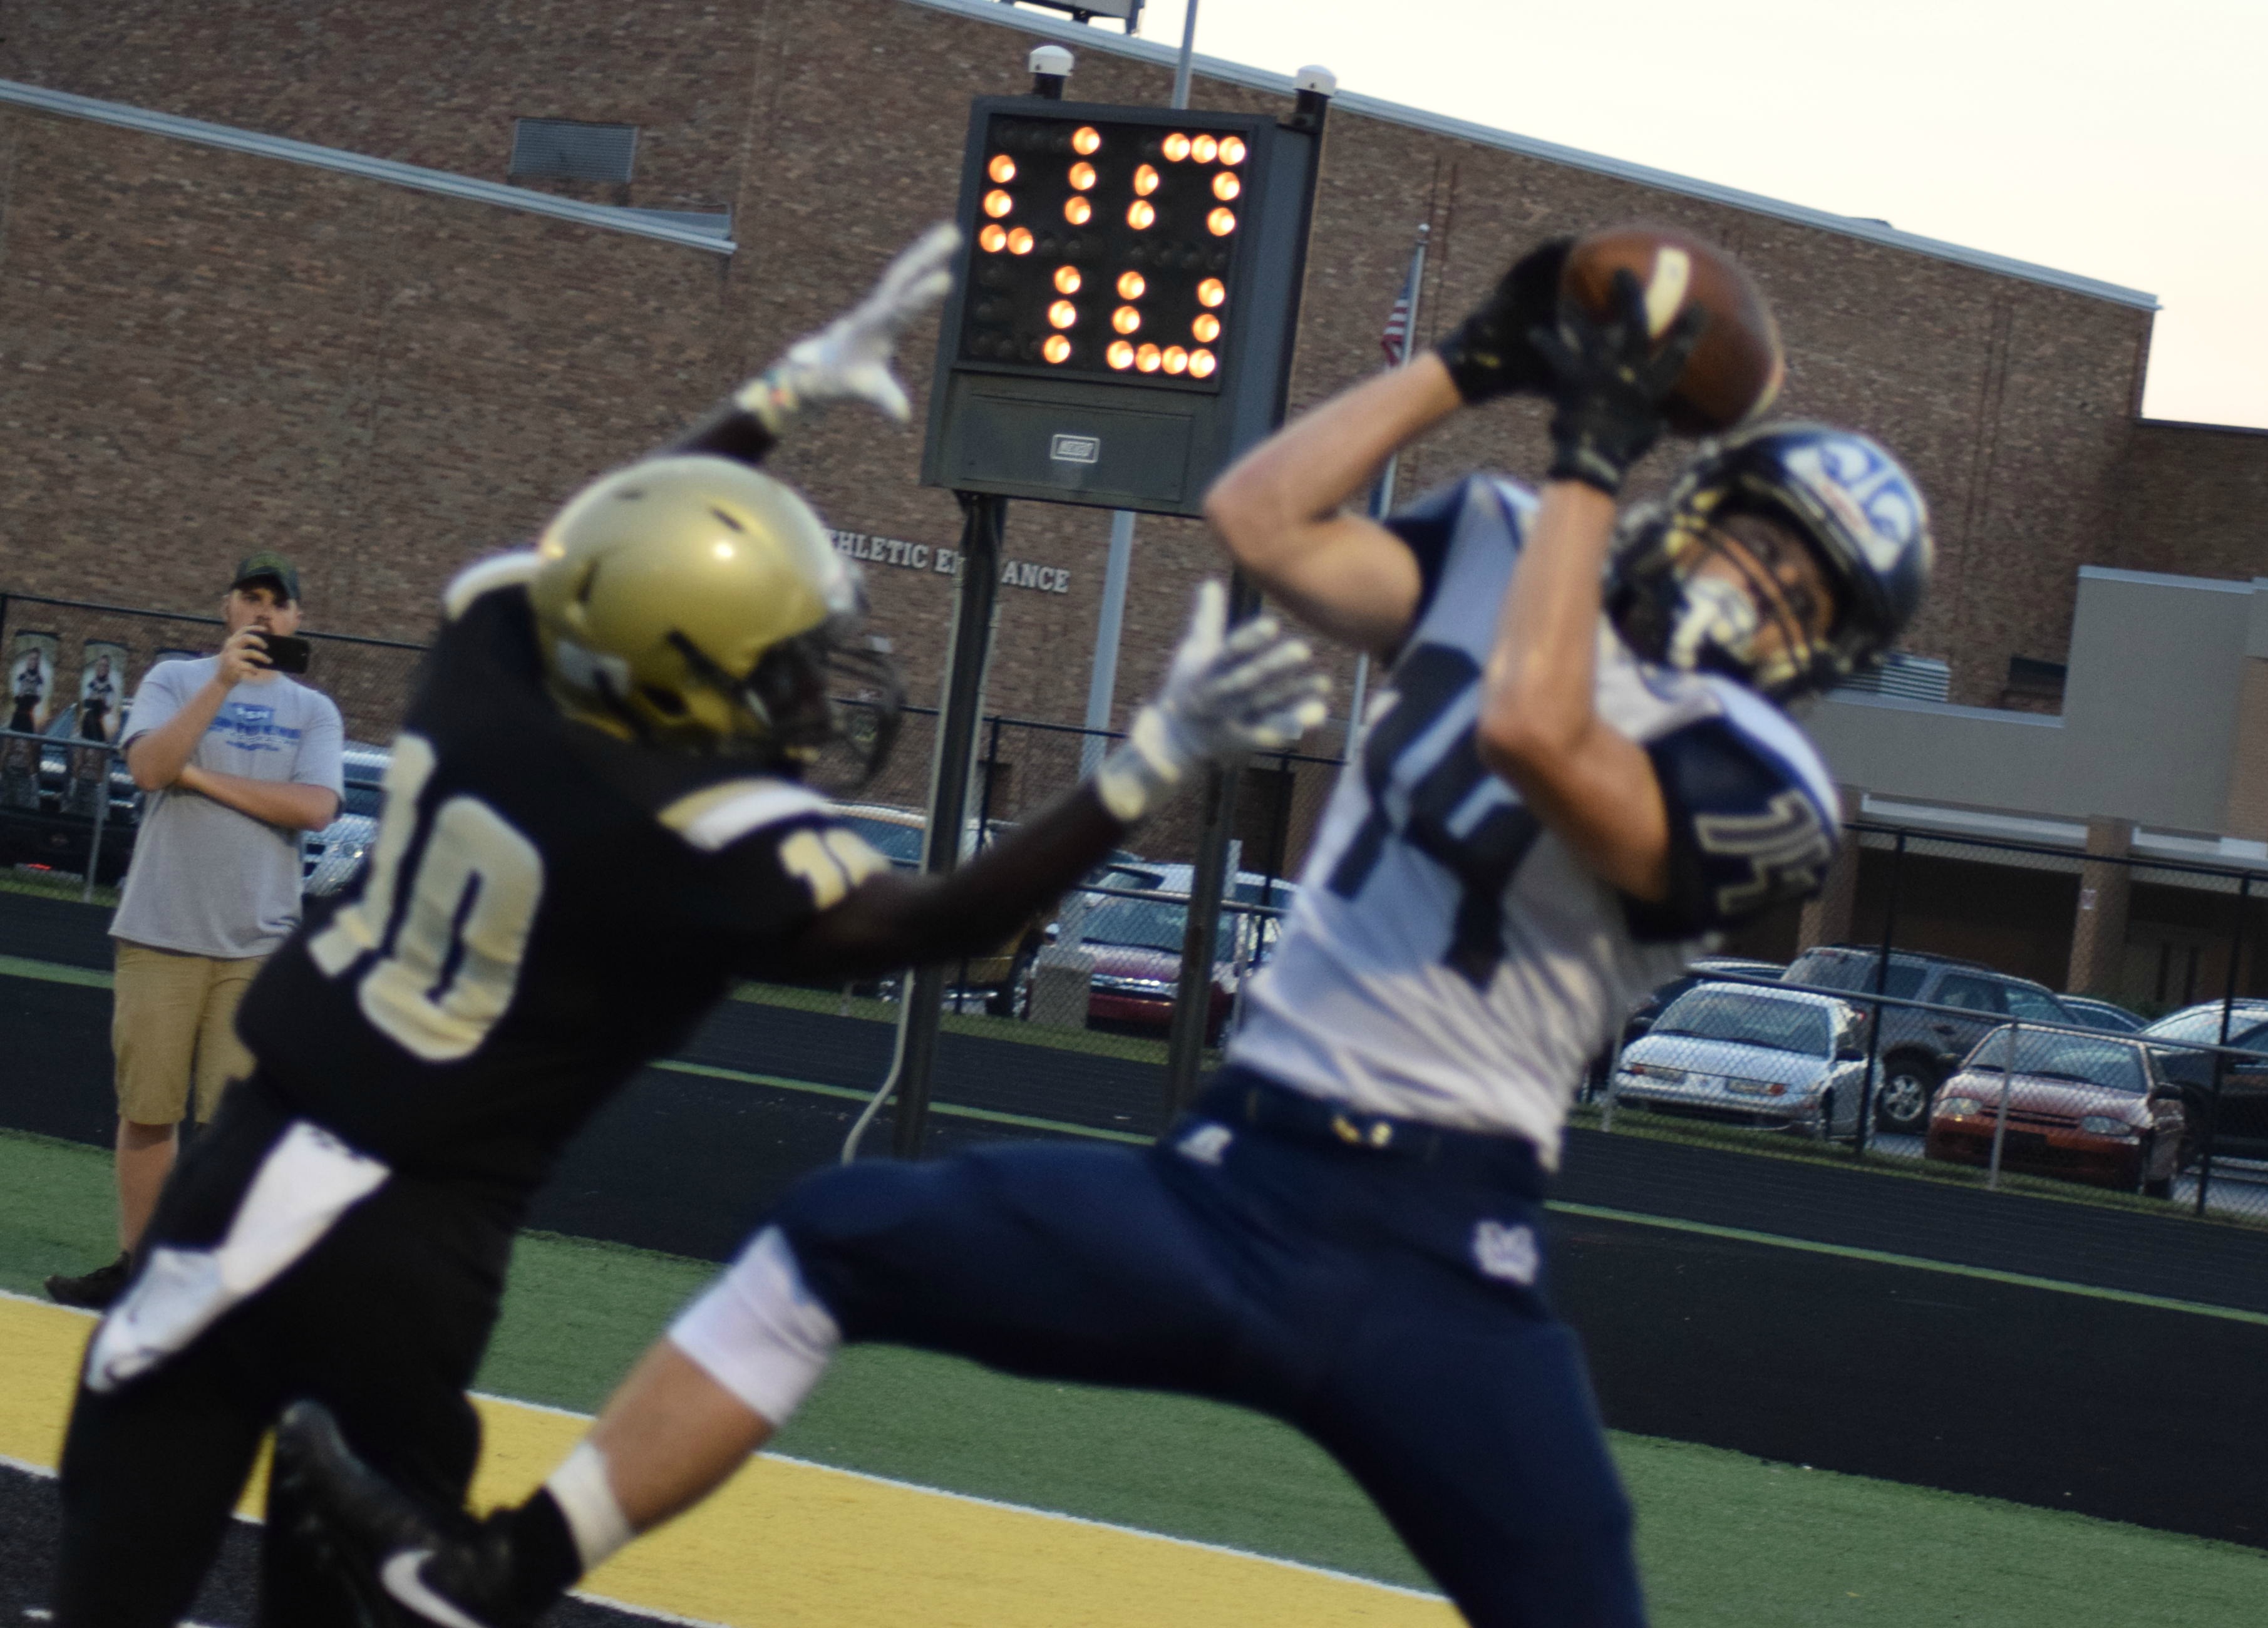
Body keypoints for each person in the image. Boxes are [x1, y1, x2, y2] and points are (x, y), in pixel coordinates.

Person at [277, 243, 1934, 1628]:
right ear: (1687, 500)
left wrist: (1586, 452)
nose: (1754, 590)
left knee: (1583, 1604)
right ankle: (493, 1578)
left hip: (1437, 1250)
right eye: (1750, 538)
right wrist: (1470, 360)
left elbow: (1532, 734)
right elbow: (1262, 520)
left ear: (1830, 659)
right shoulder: (1500, 543)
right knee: (829, 1238)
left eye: (1803, 593)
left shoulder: (1766, 783)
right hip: (1229, 1179)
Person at [46, 223, 1329, 1628]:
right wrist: (1141, 766)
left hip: (254, 1164)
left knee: (118, 1557)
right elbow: (939, 917)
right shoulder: (700, 841)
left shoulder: (491, 650)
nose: (797, 685)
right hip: (413, 1247)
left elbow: (609, 542)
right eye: (772, 657)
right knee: (366, 1598)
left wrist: (778, 396)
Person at [46, 560, 345, 1311]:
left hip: (260, 942)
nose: (265, 613)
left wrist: (203, 779)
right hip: (160, 927)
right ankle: (137, 1267)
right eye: (252, 598)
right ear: (227, 606)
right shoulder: (177, 680)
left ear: (297, 620)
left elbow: (314, 809)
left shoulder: (314, 711)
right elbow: (149, 767)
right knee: (149, 1109)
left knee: (233, 1124)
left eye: (280, 604)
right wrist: (219, 682)